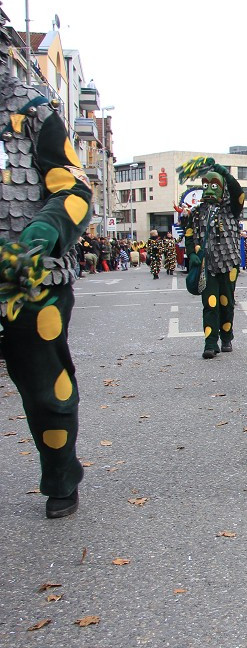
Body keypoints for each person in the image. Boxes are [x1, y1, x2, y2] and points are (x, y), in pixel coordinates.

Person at [1, 57, 93, 518]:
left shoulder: (33, 111)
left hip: (32, 280)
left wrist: (40, 236)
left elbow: (74, 191)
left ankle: (60, 475)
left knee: (46, 387)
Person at [182, 159, 245, 360]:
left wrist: (223, 172)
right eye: (206, 185)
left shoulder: (231, 209)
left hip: (229, 263)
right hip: (206, 265)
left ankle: (227, 336)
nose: (209, 190)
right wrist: (192, 253)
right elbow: (189, 235)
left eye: (214, 186)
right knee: (210, 304)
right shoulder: (197, 213)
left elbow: (238, 193)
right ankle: (210, 343)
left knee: (227, 302)